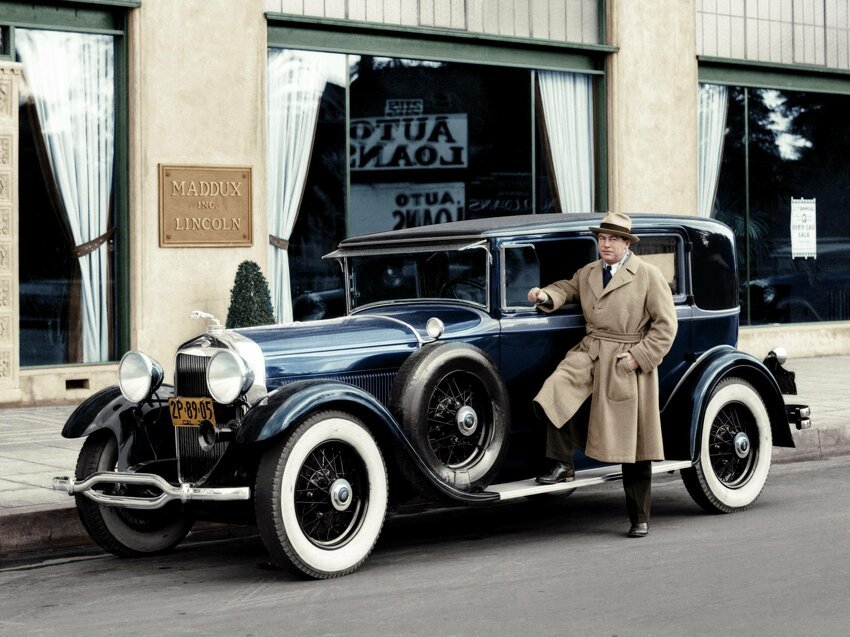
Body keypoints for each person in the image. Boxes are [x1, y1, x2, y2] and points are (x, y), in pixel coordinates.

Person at [527, 212, 677, 538]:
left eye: (612, 239)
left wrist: (638, 358)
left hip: (627, 361)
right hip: (591, 351)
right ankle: (562, 464)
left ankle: (639, 517)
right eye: (602, 238)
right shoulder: (590, 272)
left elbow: (666, 327)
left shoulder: (649, 276)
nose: (605, 244)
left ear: (626, 243)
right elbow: (567, 287)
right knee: (554, 391)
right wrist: (545, 295)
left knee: (633, 445)